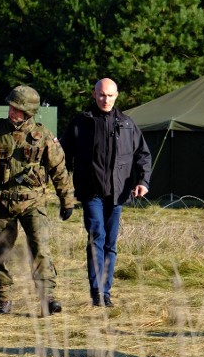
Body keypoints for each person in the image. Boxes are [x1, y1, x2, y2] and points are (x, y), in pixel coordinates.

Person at [62, 78, 151, 307]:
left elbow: (142, 154)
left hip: (118, 193)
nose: (105, 99)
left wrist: (143, 181)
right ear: (94, 94)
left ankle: (106, 292)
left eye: (110, 95)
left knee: (110, 243)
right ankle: (97, 292)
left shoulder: (127, 124)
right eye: (102, 95)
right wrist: (62, 188)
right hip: (91, 192)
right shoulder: (80, 123)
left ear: (117, 96)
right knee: (96, 237)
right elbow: (63, 155)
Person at [0, 86, 76, 316]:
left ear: (28, 112)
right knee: (0, 252)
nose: (12, 111)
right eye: (11, 106)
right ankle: (4, 298)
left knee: (40, 248)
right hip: (2, 202)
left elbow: (59, 169)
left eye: (17, 108)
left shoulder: (42, 136)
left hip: (33, 202)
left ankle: (48, 298)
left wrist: (67, 200)